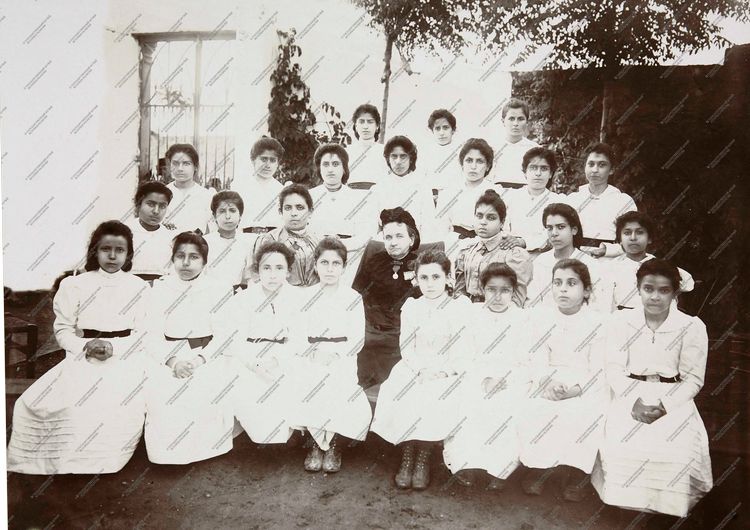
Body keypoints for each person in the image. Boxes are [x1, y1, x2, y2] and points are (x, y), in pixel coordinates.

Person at [7, 221, 149, 474]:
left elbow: (144, 334)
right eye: (106, 249)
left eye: (120, 250)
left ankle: (102, 460)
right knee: (43, 404)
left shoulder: (138, 287)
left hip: (125, 356)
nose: (113, 256)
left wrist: (114, 347)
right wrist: (85, 345)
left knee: (112, 403)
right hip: (84, 355)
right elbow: (63, 330)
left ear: (128, 255)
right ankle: (59, 461)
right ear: (95, 251)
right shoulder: (75, 285)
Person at [592, 259, 712, 517]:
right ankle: (626, 509)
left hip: (673, 397)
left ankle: (665, 510)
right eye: (648, 289)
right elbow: (613, 368)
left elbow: (693, 379)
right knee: (624, 441)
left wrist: (665, 406)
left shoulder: (690, 326)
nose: (655, 297)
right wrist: (632, 400)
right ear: (638, 288)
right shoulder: (621, 322)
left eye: (663, 290)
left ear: (674, 293)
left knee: (675, 446)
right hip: (629, 392)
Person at [371, 249, 473, 491]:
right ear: (416, 280)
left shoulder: (459, 307)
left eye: (436, 277)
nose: (430, 284)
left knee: (435, 394)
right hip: (415, 365)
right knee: (404, 390)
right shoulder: (412, 306)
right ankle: (408, 455)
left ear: (448, 278)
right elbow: (406, 347)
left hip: (448, 367)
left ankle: (423, 457)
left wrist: (445, 371)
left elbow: (463, 349)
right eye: (424, 278)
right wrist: (420, 370)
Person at [143, 232, 237, 465]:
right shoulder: (159, 288)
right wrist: (173, 361)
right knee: (165, 395)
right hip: (169, 356)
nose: (186, 263)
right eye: (180, 256)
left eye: (194, 257)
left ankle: (205, 448)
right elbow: (151, 334)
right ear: (172, 259)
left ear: (204, 261)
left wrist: (198, 360)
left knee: (204, 390)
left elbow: (225, 335)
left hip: (206, 355)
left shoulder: (218, 288)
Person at [519, 259, 608, 502]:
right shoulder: (542, 318)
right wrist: (546, 381)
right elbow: (536, 356)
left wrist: (574, 390)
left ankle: (575, 474)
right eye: (557, 283)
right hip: (549, 379)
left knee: (583, 413)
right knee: (537, 409)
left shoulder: (599, 322)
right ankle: (539, 469)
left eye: (571, 283)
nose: (563, 289)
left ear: (586, 290)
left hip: (584, 383)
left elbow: (598, 367)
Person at [442, 264, 531, 491]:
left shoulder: (523, 319)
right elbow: (460, 355)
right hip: (476, 374)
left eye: (505, 290)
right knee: (470, 402)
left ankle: (500, 468)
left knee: (507, 406)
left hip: (511, 377)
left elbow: (527, 359)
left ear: (514, 291)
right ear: (482, 289)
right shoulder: (472, 315)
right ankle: (467, 464)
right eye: (492, 289)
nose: (498, 297)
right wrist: (483, 378)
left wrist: (505, 379)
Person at [289, 238, 372, 473]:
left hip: (342, 355)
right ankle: (315, 443)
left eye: (336, 263)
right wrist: (313, 353)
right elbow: (296, 333)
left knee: (339, 384)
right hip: (311, 354)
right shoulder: (305, 296)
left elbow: (357, 337)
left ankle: (334, 443)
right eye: (324, 263)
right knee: (310, 381)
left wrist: (336, 354)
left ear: (344, 267)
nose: (330, 269)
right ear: (315, 265)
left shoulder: (352, 298)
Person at [228, 242, 301, 446]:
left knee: (290, 383)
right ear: (257, 270)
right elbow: (235, 339)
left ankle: (287, 432)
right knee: (246, 388)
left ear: (288, 271)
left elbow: (299, 337)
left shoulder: (298, 298)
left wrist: (277, 360)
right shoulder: (243, 299)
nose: (272, 274)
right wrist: (254, 364)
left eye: (279, 268)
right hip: (251, 356)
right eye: (266, 268)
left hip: (284, 355)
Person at [352, 207, 423, 387]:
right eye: (388, 237)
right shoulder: (374, 260)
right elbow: (356, 294)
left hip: (400, 334)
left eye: (399, 236)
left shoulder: (422, 265)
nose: (393, 242)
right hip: (370, 332)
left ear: (411, 239)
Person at [600, 211, 694, 312]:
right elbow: (606, 304)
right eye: (627, 233)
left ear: (649, 239)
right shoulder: (611, 267)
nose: (633, 238)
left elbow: (688, 284)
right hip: (624, 317)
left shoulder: (659, 265)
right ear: (620, 240)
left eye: (640, 232)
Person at [453, 189, 532, 305]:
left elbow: (517, 299)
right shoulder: (466, 252)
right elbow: (459, 291)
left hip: (500, 310)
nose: (483, 222)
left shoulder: (514, 254)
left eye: (491, 218)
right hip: (468, 310)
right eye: (479, 216)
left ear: (502, 222)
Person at [525, 203, 603, 309]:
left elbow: (596, 304)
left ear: (574, 230)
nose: (554, 233)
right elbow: (532, 300)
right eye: (549, 228)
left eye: (561, 227)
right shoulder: (540, 262)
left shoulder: (590, 264)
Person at [566, 143, 637, 256]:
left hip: (611, 260)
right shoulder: (572, 199)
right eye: (591, 164)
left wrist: (606, 250)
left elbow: (632, 238)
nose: (595, 170)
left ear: (611, 170)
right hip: (575, 258)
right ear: (585, 167)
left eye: (602, 165)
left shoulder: (623, 201)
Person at [307, 143, 376, 253]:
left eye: (335, 164)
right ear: (319, 169)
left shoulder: (358, 198)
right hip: (317, 253)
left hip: (350, 254)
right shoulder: (308, 197)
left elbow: (365, 234)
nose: (330, 169)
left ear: (344, 168)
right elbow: (304, 232)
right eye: (325, 164)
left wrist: (339, 246)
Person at [251, 184, 321, 287]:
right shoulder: (269, 240)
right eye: (288, 208)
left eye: (300, 208)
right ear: (281, 211)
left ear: (310, 211)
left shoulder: (319, 241)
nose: (294, 213)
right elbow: (256, 277)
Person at [369, 135, 437, 240]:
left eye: (403, 156)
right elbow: (372, 228)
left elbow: (428, 226)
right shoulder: (378, 189)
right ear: (388, 159)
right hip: (386, 243)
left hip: (416, 243)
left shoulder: (422, 187)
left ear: (411, 159)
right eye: (394, 156)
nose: (398, 161)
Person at [434, 138, 500, 242]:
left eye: (480, 161)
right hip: (454, 243)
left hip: (486, 243)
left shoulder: (497, 192)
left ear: (487, 166)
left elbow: (502, 228)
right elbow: (441, 228)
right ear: (462, 164)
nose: (473, 166)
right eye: (469, 160)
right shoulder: (448, 191)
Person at [504, 147, 568, 253]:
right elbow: (502, 227)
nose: (538, 173)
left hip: (544, 254)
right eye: (533, 168)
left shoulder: (558, 201)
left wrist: (524, 242)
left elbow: (554, 233)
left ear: (550, 174)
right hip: (510, 251)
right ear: (525, 172)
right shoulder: (510, 197)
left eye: (544, 169)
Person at [231, 137, 285, 233]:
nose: (268, 165)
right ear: (253, 160)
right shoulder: (239, 186)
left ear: (277, 164)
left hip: (274, 237)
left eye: (273, 160)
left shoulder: (281, 190)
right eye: (264, 159)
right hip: (246, 236)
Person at [126, 181, 177, 284]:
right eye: (150, 204)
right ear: (138, 204)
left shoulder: (171, 236)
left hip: (160, 287)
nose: (156, 211)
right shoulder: (124, 232)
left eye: (162, 206)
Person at [203, 191, 255, 290]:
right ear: (214, 216)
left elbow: (251, 278)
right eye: (222, 211)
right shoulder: (204, 243)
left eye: (232, 210)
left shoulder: (250, 242)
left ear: (240, 215)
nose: (227, 216)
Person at [163, 143, 214, 234]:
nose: (180, 168)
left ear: (195, 167)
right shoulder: (162, 193)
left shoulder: (207, 196)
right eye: (175, 163)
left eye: (186, 164)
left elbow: (212, 230)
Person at [491, 98, 540, 188]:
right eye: (511, 119)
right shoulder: (493, 148)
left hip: (525, 192)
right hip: (498, 192)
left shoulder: (535, 149)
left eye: (520, 119)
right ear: (503, 121)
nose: (515, 123)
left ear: (527, 122)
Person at [422, 109, 462, 200]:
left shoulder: (461, 152)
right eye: (437, 128)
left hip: (455, 197)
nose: (441, 133)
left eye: (445, 127)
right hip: (430, 198)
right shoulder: (426, 154)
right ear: (432, 131)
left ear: (453, 130)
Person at [346, 104, 388, 188]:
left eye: (370, 122)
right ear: (356, 126)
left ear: (377, 126)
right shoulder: (346, 152)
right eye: (361, 122)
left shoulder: (385, 152)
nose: (365, 126)